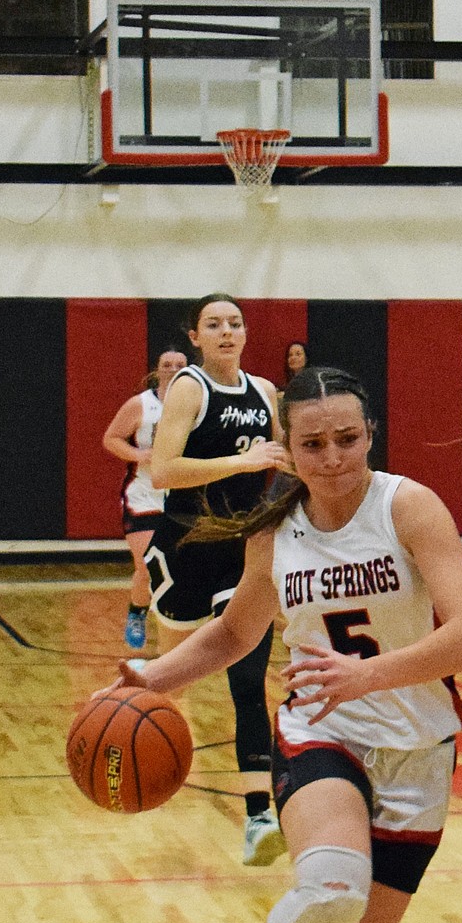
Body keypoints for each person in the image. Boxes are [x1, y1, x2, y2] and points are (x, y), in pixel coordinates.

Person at [116, 365, 462, 923]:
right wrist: (149, 680)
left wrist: (373, 674)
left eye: (347, 439)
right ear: (284, 446)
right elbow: (234, 634)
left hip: (418, 752)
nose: (331, 458)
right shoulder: (276, 526)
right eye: (312, 443)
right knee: (326, 891)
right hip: (323, 732)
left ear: (369, 436)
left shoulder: (408, 506)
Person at [145, 294, 293, 867]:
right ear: (196, 336)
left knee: (248, 675)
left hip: (242, 551)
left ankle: (259, 816)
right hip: (186, 548)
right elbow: (164, 470)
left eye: (235, 323)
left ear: (246, 334)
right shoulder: (190, 388)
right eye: (214, 324)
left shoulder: (264, 393)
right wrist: (243, 462)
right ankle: (119, 732)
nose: (227, 331)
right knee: (167, 680)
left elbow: (281, 461)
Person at [101, 348, 187, 650]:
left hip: (181, 496)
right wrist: (140, 454)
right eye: (167, 364)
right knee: (149, 565)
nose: (174, 369)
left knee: (181, 567)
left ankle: (175, 625)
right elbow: (111, 438)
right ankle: (137, 614)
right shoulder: (141, 405)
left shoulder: (197, 404)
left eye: (180, 365)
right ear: (157, 369)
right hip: (144, 495)